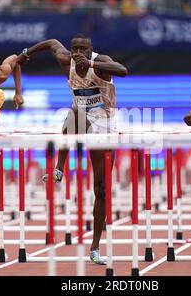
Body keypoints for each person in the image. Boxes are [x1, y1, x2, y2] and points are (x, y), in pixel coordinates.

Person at [19, 34, 128, 264]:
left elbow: (122, 70)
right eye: (75, 48)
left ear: (91, 49)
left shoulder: (99, 62)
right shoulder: (65, 59)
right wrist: (26, 53)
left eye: (83, 48)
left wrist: (90, 64)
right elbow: (50, 43)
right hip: (78, 120)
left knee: (101, 189)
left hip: (105, 124)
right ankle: (59, 169)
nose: (78, 52)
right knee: (75, 112)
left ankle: (95, 247)